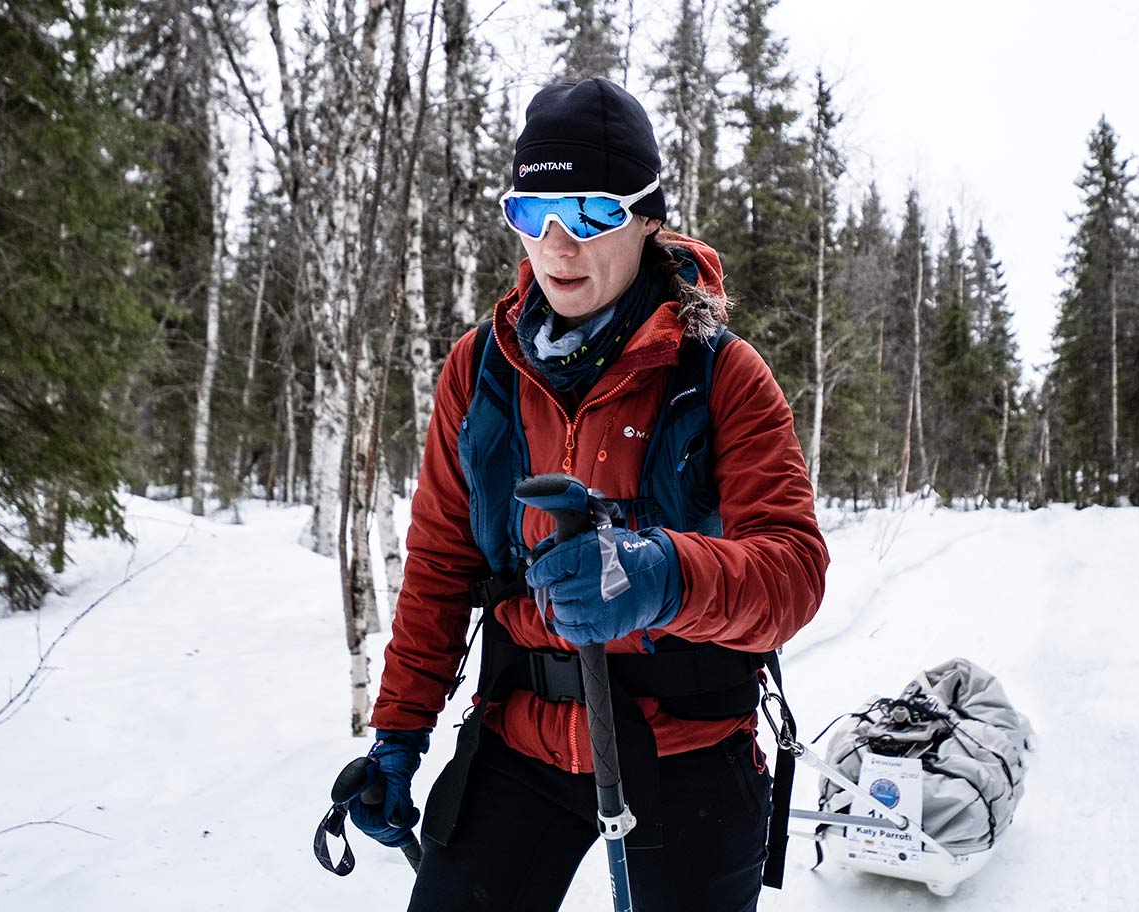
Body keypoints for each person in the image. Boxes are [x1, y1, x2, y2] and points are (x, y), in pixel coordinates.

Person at [348, 76, 828, 912]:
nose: (559, 246)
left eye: (593, 212)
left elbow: (794, 573)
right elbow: (438, 566)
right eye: (532, 215)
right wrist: (398, 737)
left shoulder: (719, 372)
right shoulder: (481, 369)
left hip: (686, 745)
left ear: (649, 219)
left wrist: (664, 575)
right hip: (520, 736)